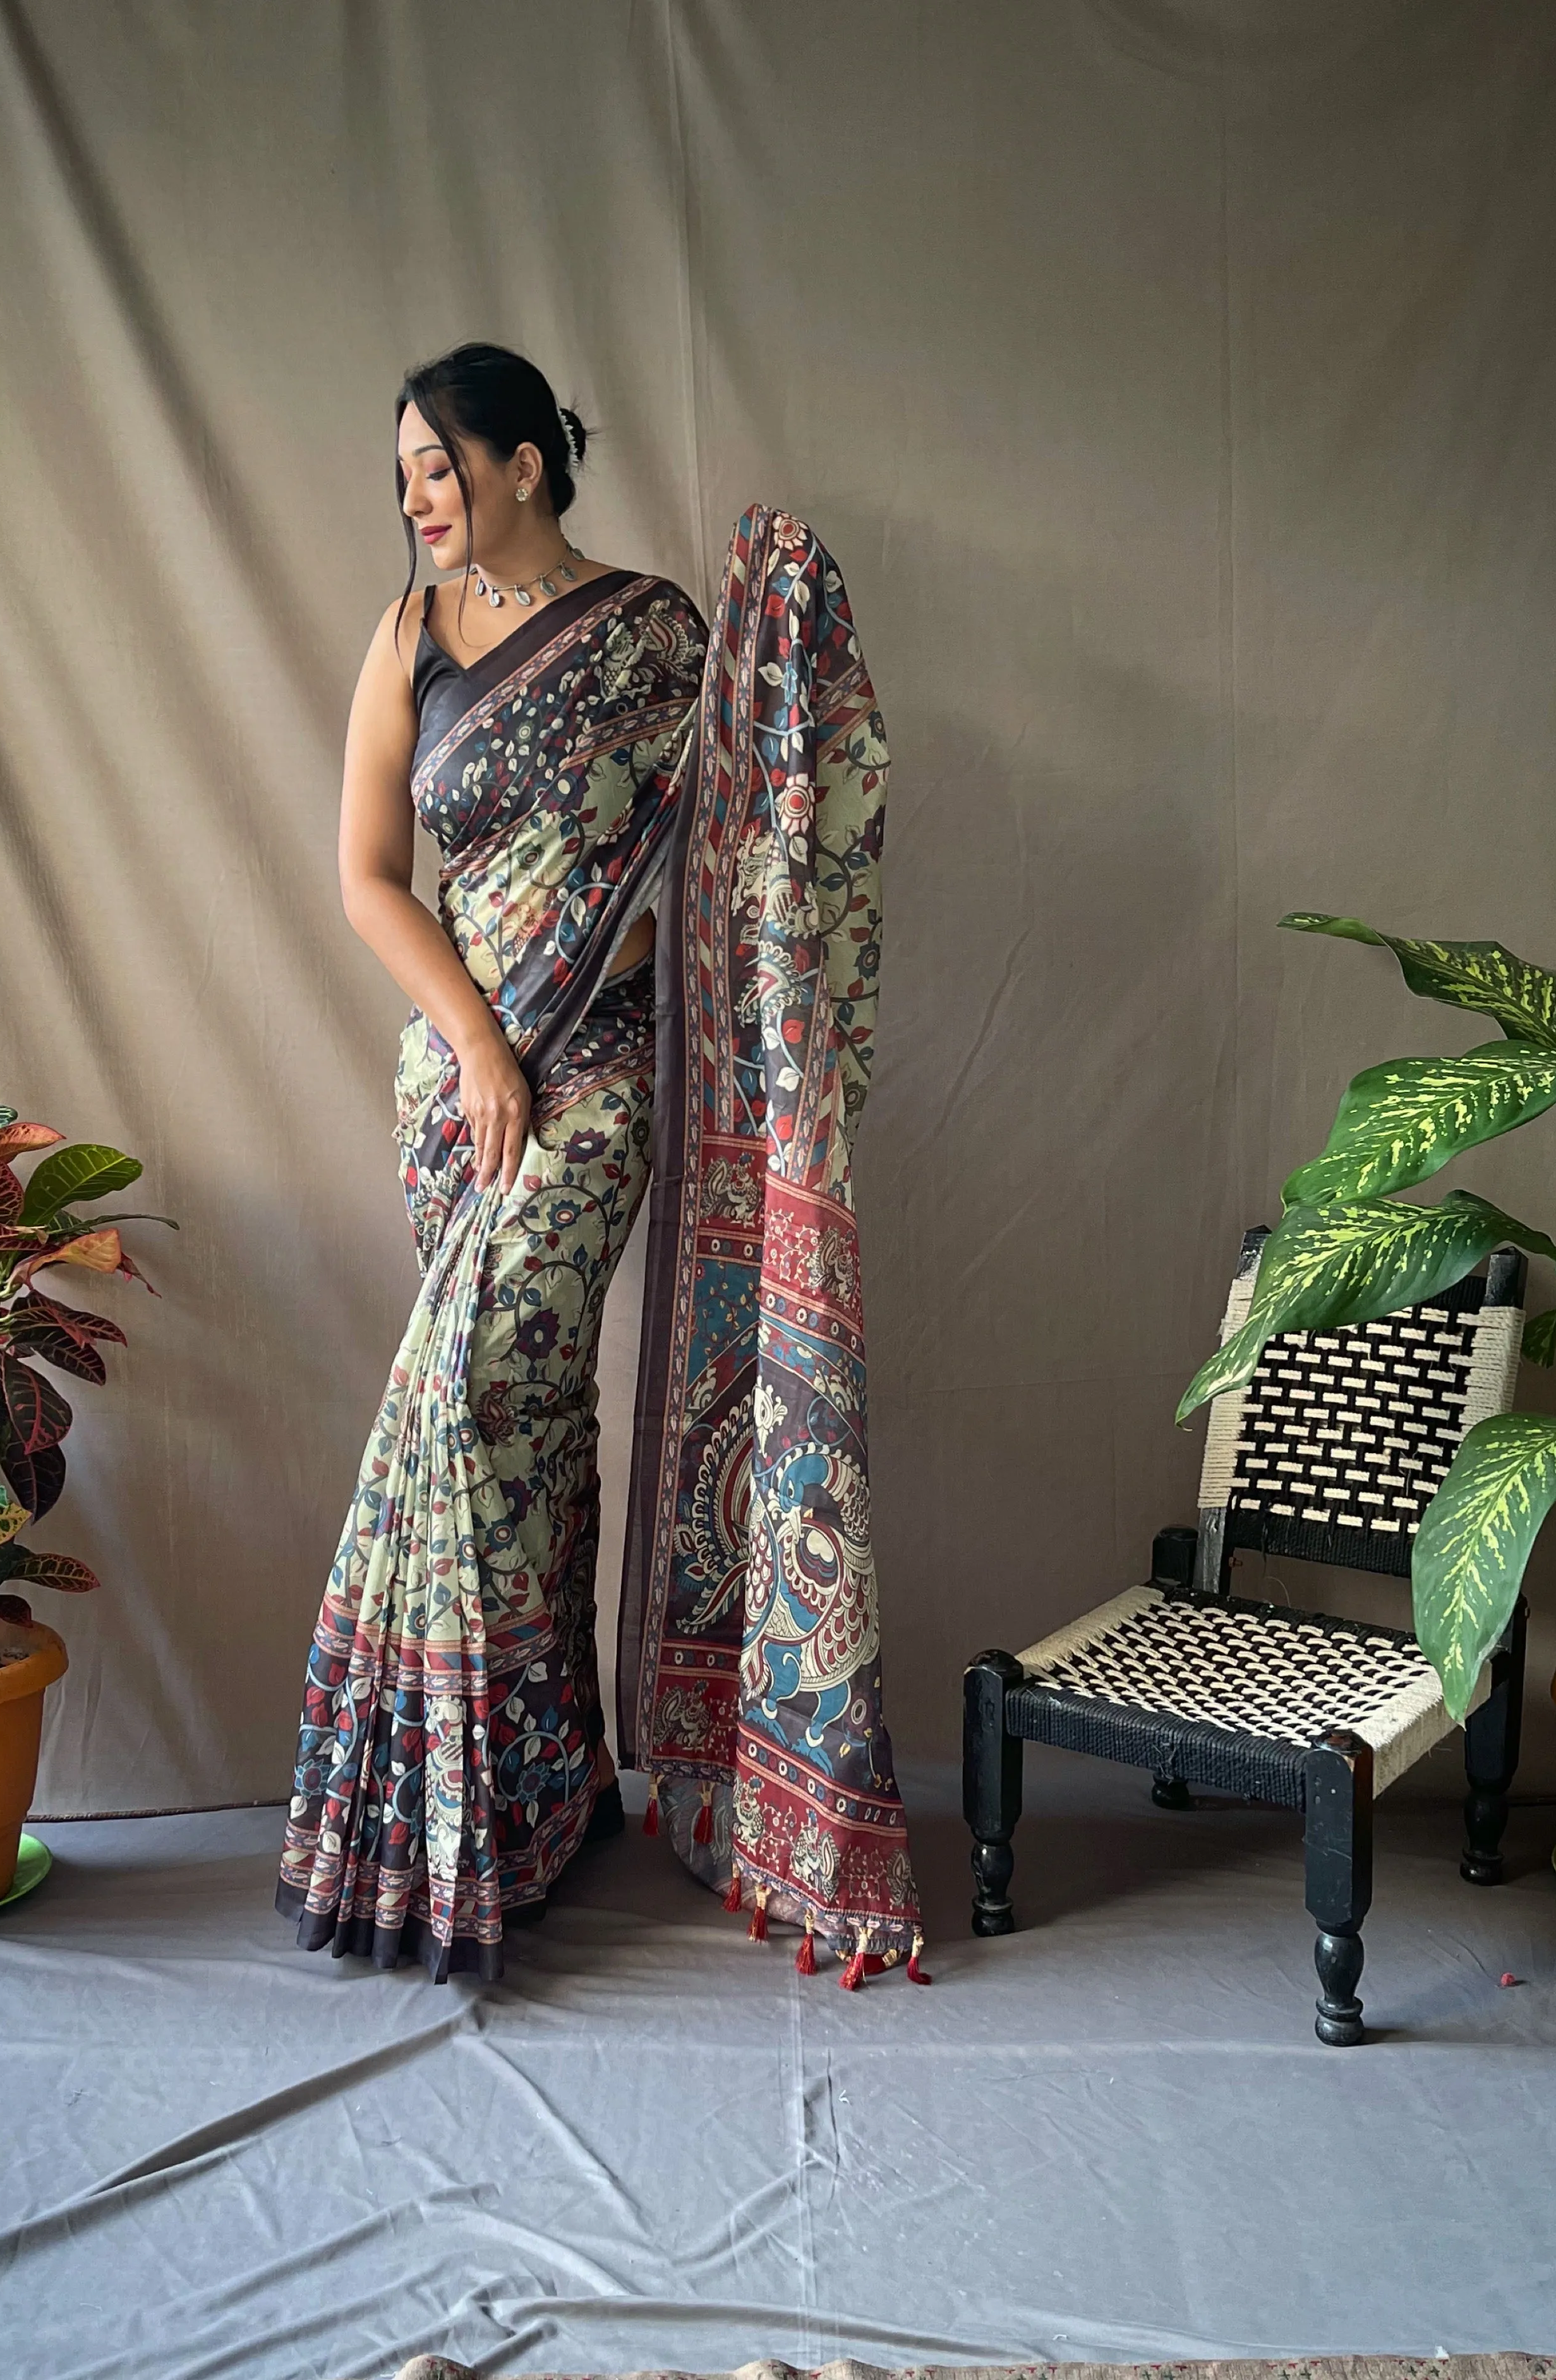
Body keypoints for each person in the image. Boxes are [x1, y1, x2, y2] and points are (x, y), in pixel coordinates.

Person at [279, 342, 922, 1985]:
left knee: (493, 1392)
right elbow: (368, 878)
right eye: (404, 473)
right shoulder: (407, 638)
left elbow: (734, 843)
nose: (418, 497)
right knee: (530, 1421)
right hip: (454, 1079)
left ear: (522, 465)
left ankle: (470, 1808)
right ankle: (540, 1793)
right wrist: (482, 1045)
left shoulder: (651, 638)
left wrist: (794, 628)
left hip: (603, 1073)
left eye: (440, 463)